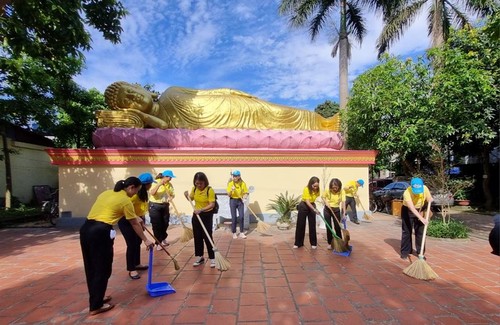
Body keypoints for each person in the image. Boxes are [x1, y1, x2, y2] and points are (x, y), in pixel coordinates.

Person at [101, 81, 340, 131]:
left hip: (229, 105)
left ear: (139, 86)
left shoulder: (170, 91)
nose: (135, 97)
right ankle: (318, 124)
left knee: (271, 110)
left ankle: (318, 121)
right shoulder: (159, 122)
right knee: (267, 120)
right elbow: (162, 125)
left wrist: (230, 91)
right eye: (128, 101)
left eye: (132, 91)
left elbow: (203, 92)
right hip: (219, 124)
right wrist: (139, 116)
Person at [79, 177, 154, 316]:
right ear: (131, 187)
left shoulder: (106, 193)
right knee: (103, 268)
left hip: (86, 229)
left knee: (91, 267)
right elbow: (134, 223)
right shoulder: (125, 200)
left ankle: (97, 297)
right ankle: (96, 306)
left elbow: (114, 210)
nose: (135, 194)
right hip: (101, 233)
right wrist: (146, 240)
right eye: (135, 191)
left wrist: (136, 217)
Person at [118, 173, 155, 280]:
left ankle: (137, 264)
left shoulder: (143, 194)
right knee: (131, 244)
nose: (151, 185)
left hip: (138, 219)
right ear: (146, 185)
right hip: (127, 221)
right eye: (151, 183)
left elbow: (141, 208)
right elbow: (125, 209)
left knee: (137, 242)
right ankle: (131, 269)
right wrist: (136, 218)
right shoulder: (133, 195)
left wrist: (142, 218)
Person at [184, 172, 217, 268]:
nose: (198, 185)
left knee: (207, 236)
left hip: (206, 215)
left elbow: (212, 204)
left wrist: (201, 210)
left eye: (200, 183)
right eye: (197, 183)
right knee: (197, 236)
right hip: (196, 216)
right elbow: (191, 198)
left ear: (205, 182)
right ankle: (200, 257)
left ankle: (212, 257)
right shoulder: (194, 189)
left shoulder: (209, 190)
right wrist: (186, 196)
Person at [400, 177, 433, 260]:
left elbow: (429, 198)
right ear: (412, 187)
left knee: (420, 232)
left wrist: (430, 199)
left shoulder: (425, 188)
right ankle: (405, 252)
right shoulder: (407, 192)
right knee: (407, 231)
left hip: (420, 209)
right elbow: (411, 208)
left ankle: (420, 252)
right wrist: (421, 218)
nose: (417, 193)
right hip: (408, 210)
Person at [148, 170, 176, 250]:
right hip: (154, 205)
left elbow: (172, 194)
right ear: (165, 176)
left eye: (171, 178)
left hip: (165, 205)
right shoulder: (155, 182)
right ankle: (158, 242)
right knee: (157, 225)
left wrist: (171, 197)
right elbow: (152, 193)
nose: (170, 179)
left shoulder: (169, 185)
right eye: (169, 177)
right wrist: (159, 184)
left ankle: (163, 238)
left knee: (165, 223)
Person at [294, 177, 321, 249]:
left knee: (312, 224)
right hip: (304, 206)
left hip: (312, 205)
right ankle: (298, 243)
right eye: (314, 186)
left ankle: (313, 243)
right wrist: (314, 209)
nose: (315, 187)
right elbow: (307, 201)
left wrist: (315, 208)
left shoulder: (318, 190)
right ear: (310, 184)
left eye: (317, 186)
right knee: (301, 224)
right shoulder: (306, 189)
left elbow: (313, 200)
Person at [322, 178, 346, 249]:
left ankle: (340, 243)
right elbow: (323, 197)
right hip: (327, 210)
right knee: (329, 227)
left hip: (336, 210)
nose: (334, 189)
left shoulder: (342, 191)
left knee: (337, 227)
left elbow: (343, 202)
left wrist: (344, 212)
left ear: (339, 186)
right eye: (333, 188)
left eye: (336, 187)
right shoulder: (327, 190)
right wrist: (326, 202)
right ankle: (330, 243)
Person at [227, 170, 249, 239]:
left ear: (239, 176)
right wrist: (231, 190)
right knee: (234, 218)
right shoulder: (230, 183)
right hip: (233, 200)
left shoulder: (243, 183)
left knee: (241, 217)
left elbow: (246, 192)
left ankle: (241, 232)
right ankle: (234, 232)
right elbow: (229, 195)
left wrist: (244, 198)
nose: (234, 177)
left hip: (240, 201)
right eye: (234, 176)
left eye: (236, 176)